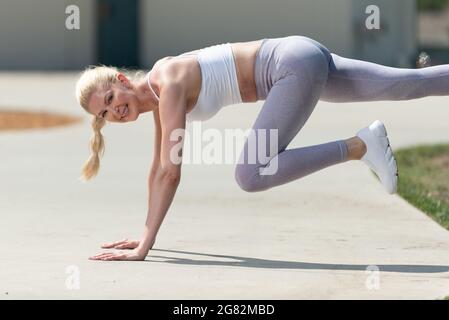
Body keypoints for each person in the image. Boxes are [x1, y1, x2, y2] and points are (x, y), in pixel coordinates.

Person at [76, 35, 448, 261]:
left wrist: (146, 245)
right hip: (296, 55)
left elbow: (172, 171)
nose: (115, 109)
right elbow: (158, 169)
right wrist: (144, 233)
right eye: (106, 112)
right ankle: (361, 145)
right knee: (406, 84)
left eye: (111, 97)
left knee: (250, 173)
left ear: (122, 80)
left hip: (291, 67)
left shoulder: (167, 83)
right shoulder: (159, 91)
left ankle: (359, 146)